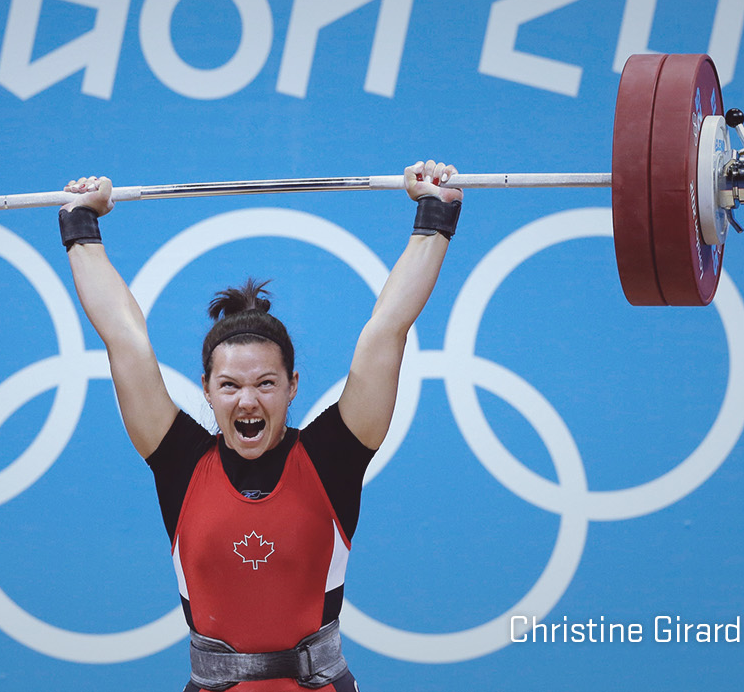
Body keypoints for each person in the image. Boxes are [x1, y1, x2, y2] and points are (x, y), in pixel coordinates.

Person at [58, 161, 463, 691]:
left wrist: (435, 213)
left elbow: (387, 328)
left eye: (265, 384)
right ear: (205, 390)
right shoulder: (179, 461)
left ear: (293, 386)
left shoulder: (332, 457)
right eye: (229, 386)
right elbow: (124, 340)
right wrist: (80, 223)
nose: (247, 399)